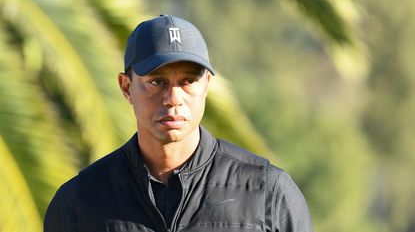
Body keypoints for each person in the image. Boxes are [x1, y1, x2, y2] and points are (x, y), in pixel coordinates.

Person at [44, 14, 313, 232]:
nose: (173, 98)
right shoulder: (78, 201)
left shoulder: (267, 191)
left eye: (188, 81)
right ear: (126, 87)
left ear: (206, 85)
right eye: (156, 82)